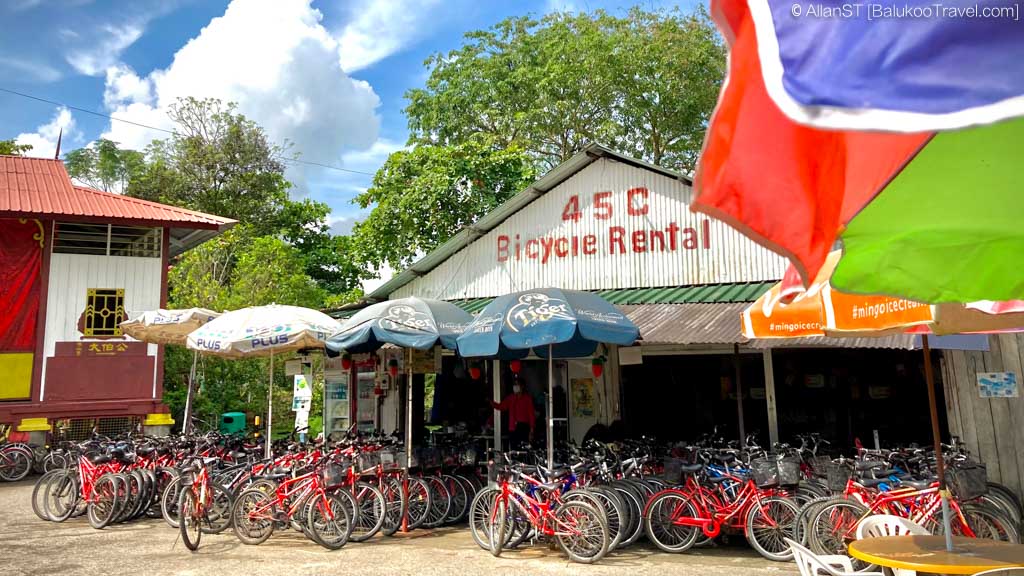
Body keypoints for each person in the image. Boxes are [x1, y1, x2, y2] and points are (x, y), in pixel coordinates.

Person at [489, 380, 535, 448]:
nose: (515, 386)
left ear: (522, 386)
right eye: (514, 384)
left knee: (523, 449)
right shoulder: (511, 398)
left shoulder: (527, 399)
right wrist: (491, 402)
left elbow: (531, 415)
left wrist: (531, 430)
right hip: (512, 427)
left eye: (517, 384)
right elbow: (502, 406)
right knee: (514, 449)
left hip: (523, 427)